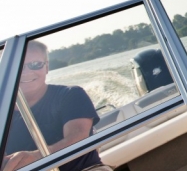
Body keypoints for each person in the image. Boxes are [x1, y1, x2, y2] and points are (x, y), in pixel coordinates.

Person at [2, 41, 111, 171]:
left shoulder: (71, 95)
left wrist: (37, 157)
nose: (26, 72)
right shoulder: (2, 114)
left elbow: (77, 138)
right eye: (18, 66)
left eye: (35, 65)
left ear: (46, 67)